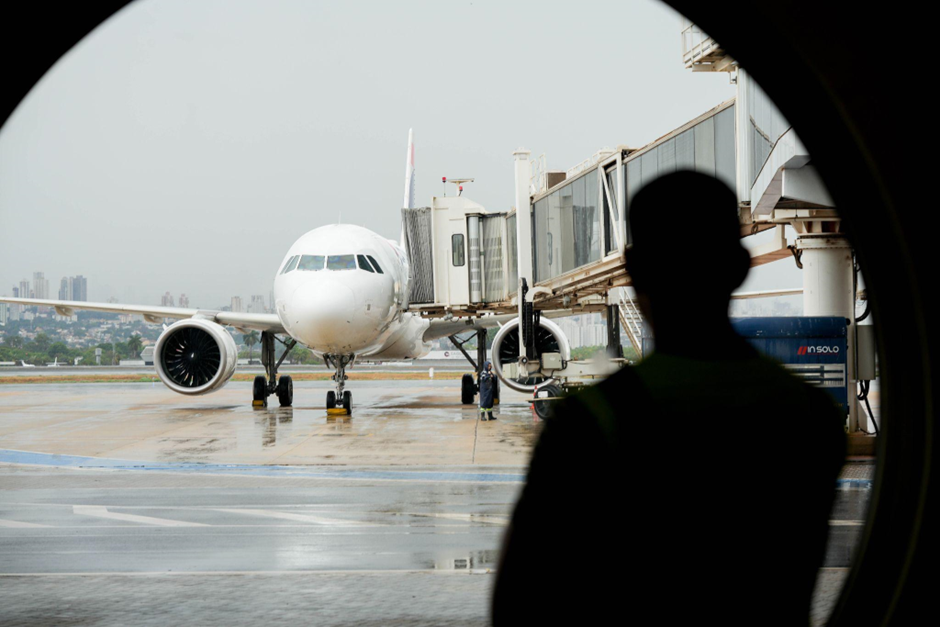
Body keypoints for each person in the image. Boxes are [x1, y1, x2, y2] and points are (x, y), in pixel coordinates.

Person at [492, 171, 846, 625]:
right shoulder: (811, 416)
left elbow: (516, 599)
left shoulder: (588, 422)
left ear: (636, 272)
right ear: (738, 268)